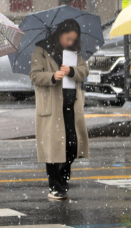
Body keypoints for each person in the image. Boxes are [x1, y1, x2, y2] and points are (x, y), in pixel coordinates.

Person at [29, 19, 89, 200]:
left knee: (71, 145)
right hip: (52, 106)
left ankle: (63, 181)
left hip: (71, 104)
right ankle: (56, 186)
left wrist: (72, 71)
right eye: (67, 38)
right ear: (59, 35)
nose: (70, 42)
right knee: (53, 148)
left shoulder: (73, 53)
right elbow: (35, 75)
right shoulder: (41, 50)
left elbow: (84, 70)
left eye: (74, 39)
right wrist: (53, 76)